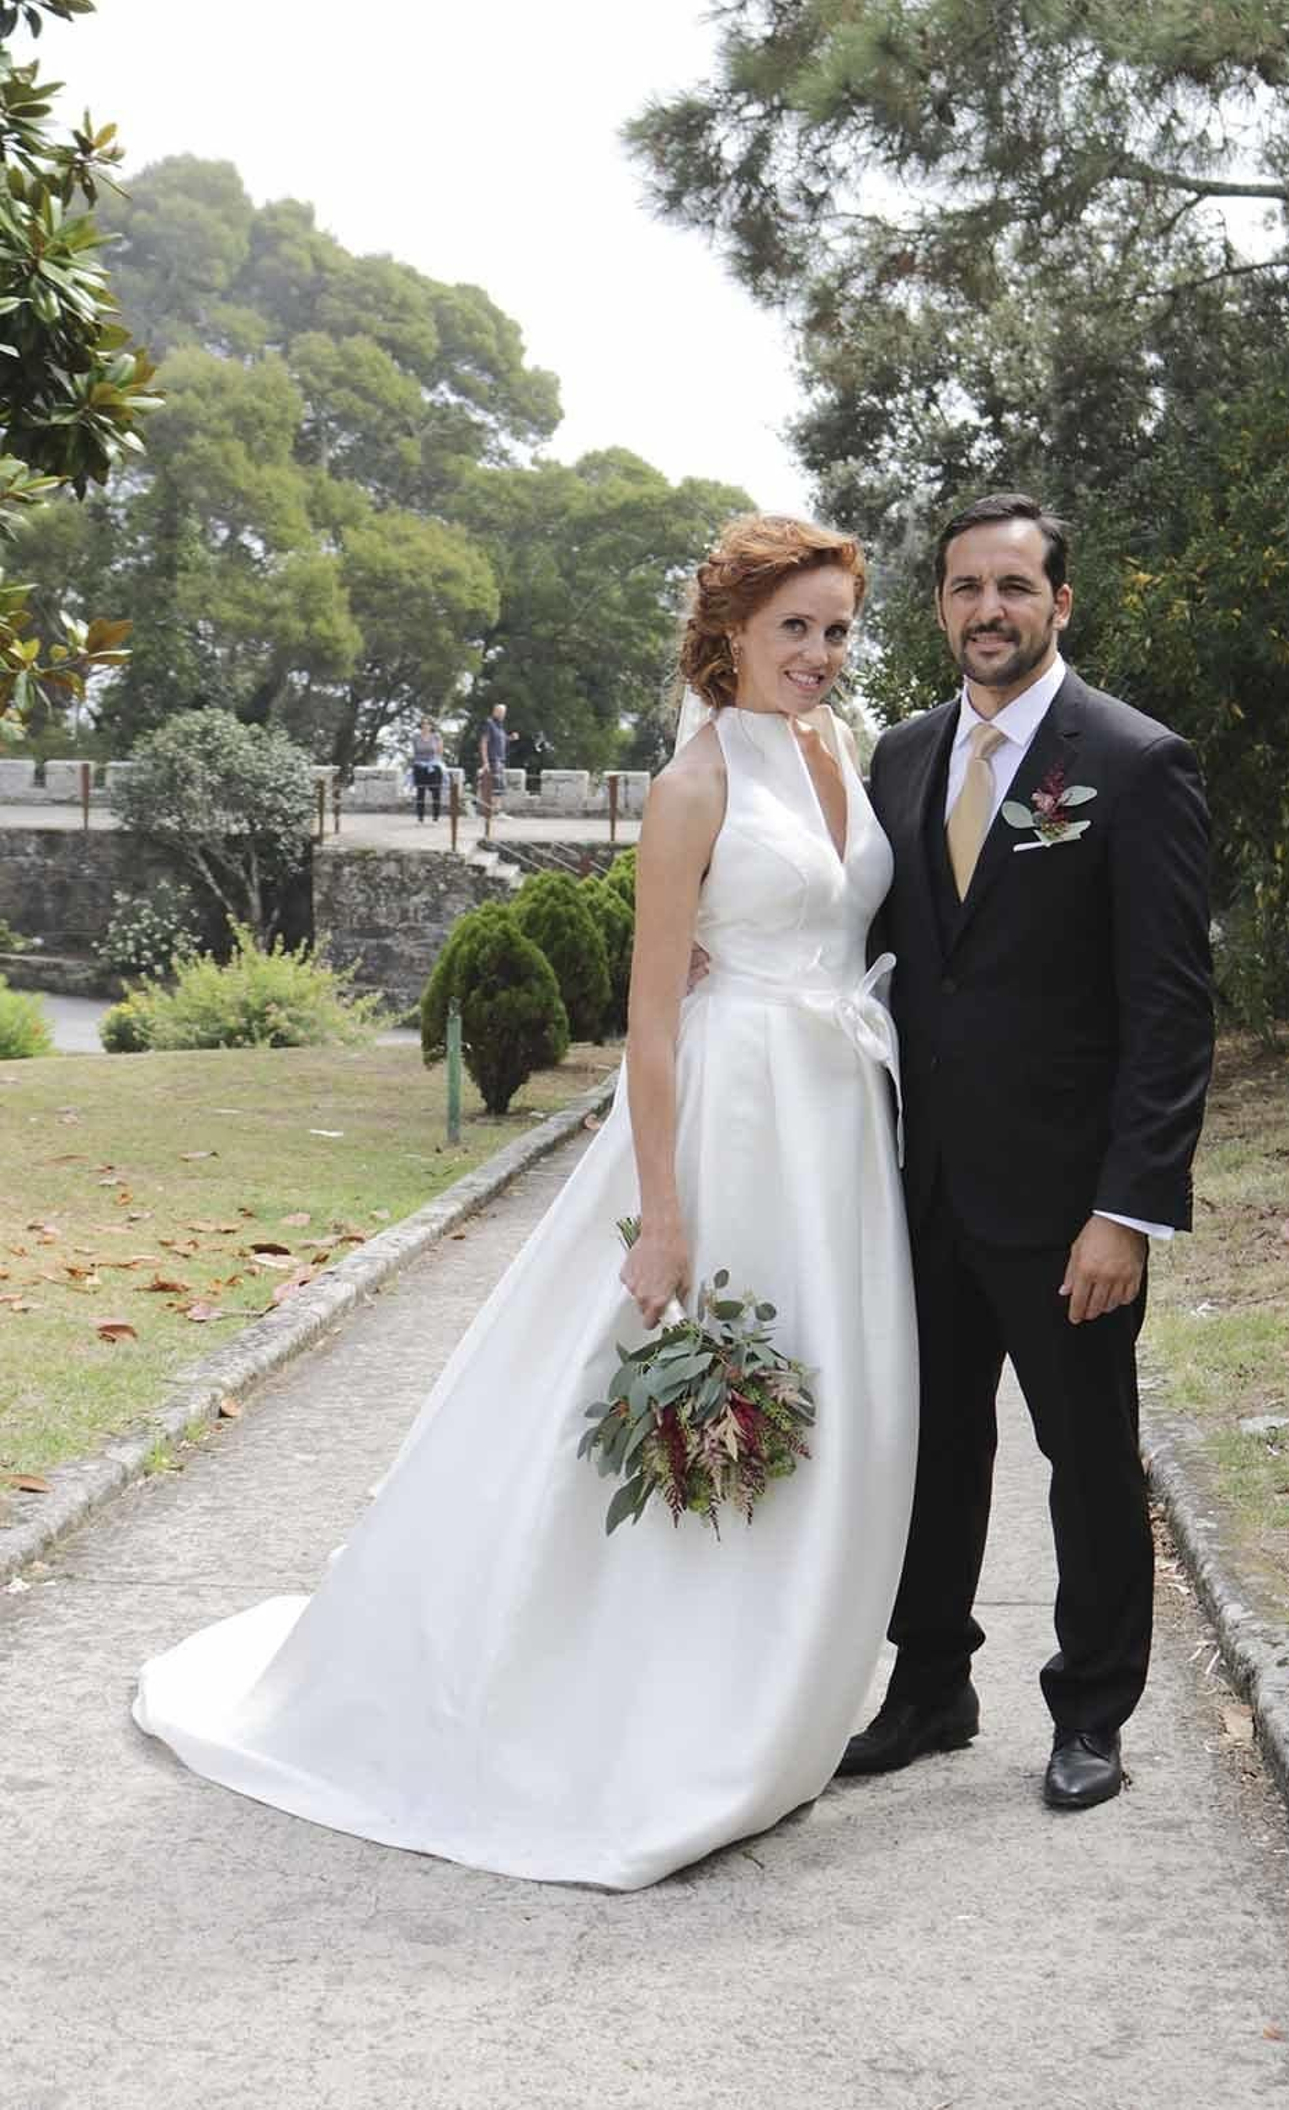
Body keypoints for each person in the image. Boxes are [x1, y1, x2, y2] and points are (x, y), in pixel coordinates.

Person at [130, 515, 917, 1890]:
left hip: (838, 1120)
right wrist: (662, 1213)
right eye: (794, 625)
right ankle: (638, 1710)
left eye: (839, 626)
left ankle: (775, 1695)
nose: (820, 653)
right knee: (677, 1385)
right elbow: (654, 1020)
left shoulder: (836, 750)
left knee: (831, 1395)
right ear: (728, 630)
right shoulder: (692, 785)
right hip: (731, 1118)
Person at [839, 491, 1213, 1813]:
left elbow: (1170, 1013)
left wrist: (1128, 1206)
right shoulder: (896, 755)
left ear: (1061, 602)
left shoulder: (1136, 760)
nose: (986, 609)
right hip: (916, 1186)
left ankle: (1092, 1708)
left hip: (1067, 1206)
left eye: (1013, 586)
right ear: (938, 605)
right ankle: (931, 1680)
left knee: (1088, 1455)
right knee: (931, 1448)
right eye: (962, 587)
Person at [477, 701, 510, 818]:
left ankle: (495, 811)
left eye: (504, 712)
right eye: (500, 712)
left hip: (500, 759)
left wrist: (510, 738)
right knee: (497, 785)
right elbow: (484, 742)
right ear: (494, 711)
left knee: (499, 786)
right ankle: (495, 812)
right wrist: (485, 762)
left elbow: (501, 740)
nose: (502, 714)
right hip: (492, 759)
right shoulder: (489, 723)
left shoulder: (500, 726)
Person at [410, 716, 444, 823]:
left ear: (431, 726)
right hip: (420, 765)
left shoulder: (436, 737)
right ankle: (420, 817)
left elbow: (439, 752)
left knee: (436, 791)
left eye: (428, 723)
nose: (425, 726)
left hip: (433, 765)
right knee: (420, 791)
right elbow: (415, 752)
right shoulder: (416, 737)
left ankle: (435, 817)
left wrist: (434, 763)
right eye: (423, 723)